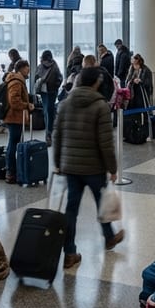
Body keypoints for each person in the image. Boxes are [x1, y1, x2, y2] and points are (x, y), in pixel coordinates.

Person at [51, 66, 124, 269]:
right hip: (93, 167)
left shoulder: (65, 104)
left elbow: (57, 135)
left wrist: (57, 162)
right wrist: (112, 167)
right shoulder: (100, 106)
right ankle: (109, 237)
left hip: (70, 167)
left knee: (71, 210)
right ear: (96, 83)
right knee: (102, 203)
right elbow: (105, 142)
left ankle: (70, 252)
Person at [2, 59, 34, 185]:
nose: (29, 71)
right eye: (27, 68)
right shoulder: (16, 82)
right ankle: (10, 172)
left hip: (15, 117)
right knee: (13, 144)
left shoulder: (17, 81)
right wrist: (27, 105)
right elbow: (14, 101)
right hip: (14, 117)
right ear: (21, 69)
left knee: (14, 143)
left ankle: (12, 171)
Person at [34, 50, 63, 145]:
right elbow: (59, 77)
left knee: (48, 111)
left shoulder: (48, 66)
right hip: (47, 91)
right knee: (48, 110)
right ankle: (49, 132)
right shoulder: (52, 66)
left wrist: (54, 86)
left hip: (48, 91)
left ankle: (49, 132)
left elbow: (59, 78)